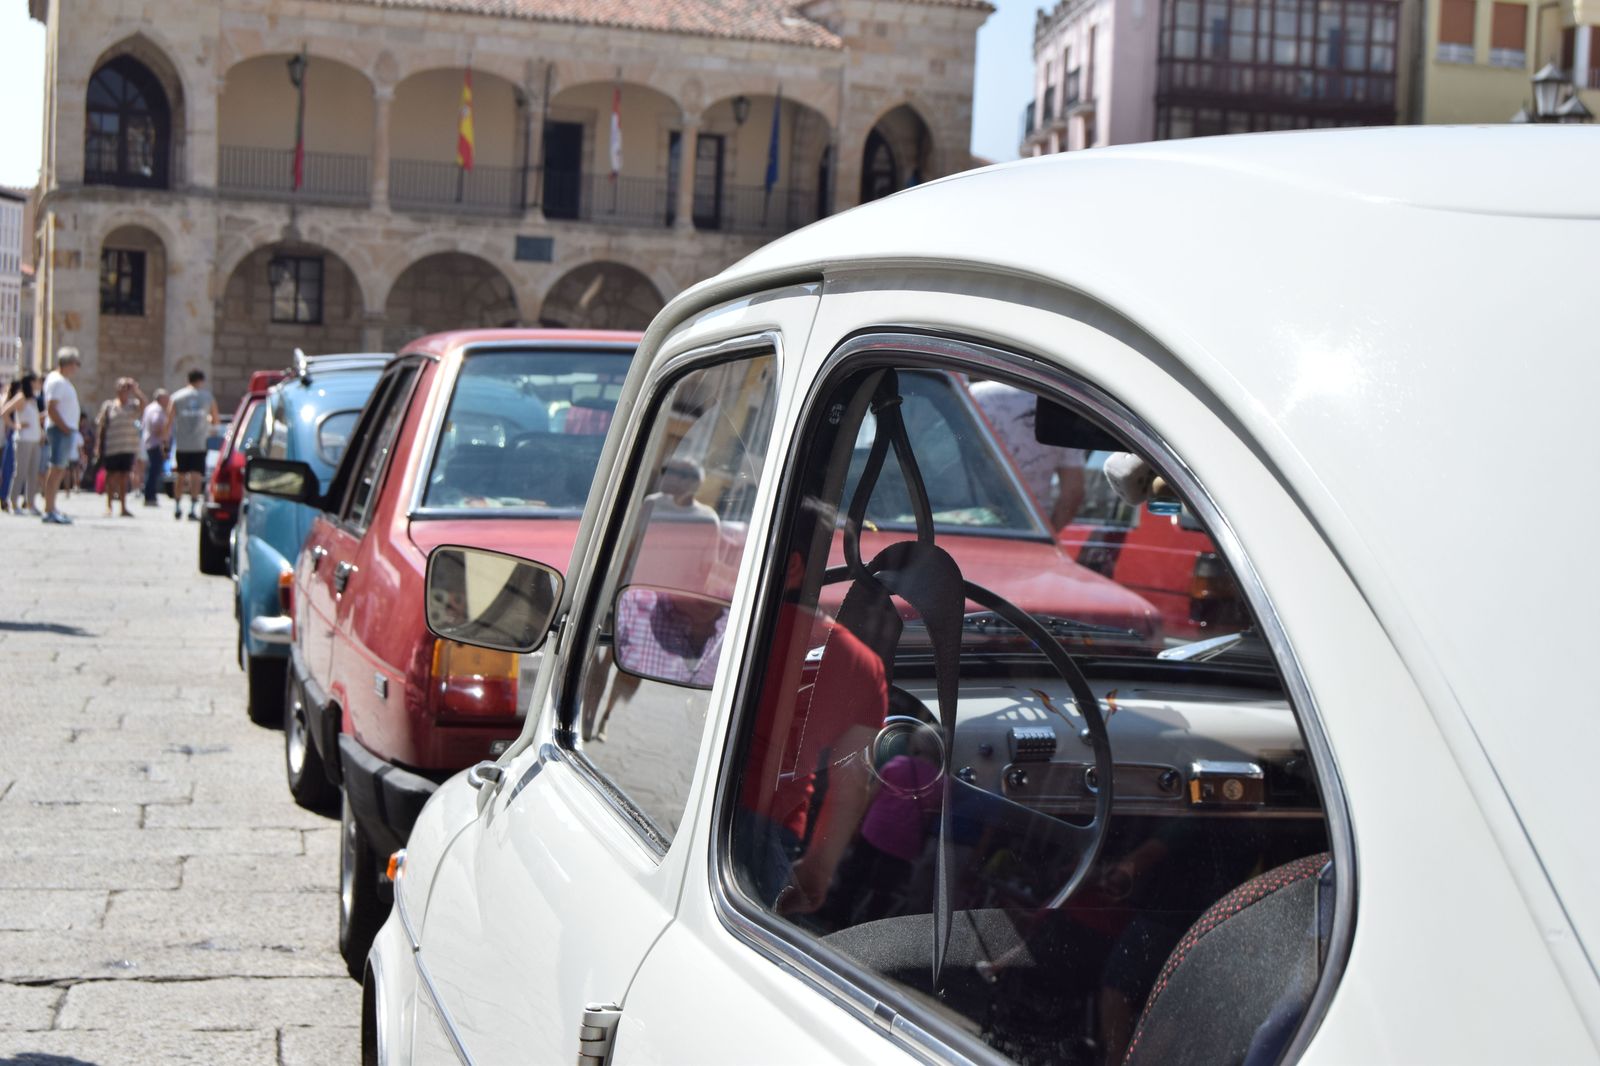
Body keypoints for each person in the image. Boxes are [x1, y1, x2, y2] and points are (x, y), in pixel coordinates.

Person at [968, 379, 1086, 533]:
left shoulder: (974, 395)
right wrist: (1048, 536)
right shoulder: (1061, 404)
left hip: (970, 523)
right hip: (1030, 530)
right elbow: (1073, 492)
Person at [40, 348, 82, 525]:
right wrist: (65, 428)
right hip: (60, 430)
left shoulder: (61, 381)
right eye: (76, 364)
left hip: (64, 430)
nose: (77, 368)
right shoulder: (57, 381)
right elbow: (51, 407)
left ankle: (52, 507)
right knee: (56, 468)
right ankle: (48, 509)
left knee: (59, 469)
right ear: (69, 363)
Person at [168, 369, 217, 521]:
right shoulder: (208, 397)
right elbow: (215, 420)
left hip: (182, 443)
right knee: (196, 475)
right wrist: (207, 421)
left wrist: (165, 440)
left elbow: (169, 420)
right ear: (201, 381)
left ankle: (177, 505)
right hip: (199, 443)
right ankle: (192, 508)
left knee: (180, 475)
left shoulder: (176, 397)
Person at [96, 377, 144, 518]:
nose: (124, 390)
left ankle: (123, 507)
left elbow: (144, 406)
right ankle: (109, 506)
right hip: (112, 446)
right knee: (111, 477)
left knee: (124, 477)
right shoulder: (109, 405)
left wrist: (136, 390)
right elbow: (102, 426)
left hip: (128, 446)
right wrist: (98, 445)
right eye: (122, 387)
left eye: (126, 387)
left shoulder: (133, 405)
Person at [3, 374, 43, 515]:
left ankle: (30, 502)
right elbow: (4, 412)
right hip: (23, 439)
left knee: (33, 473)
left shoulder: (33, 399)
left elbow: (33, 419)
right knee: (20, 472)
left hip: (34, 439)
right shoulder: (21, 397)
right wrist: (15, 425)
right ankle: (12, 502)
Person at [140, 387, 169, 507]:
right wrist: (164, 437)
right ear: (161, 398)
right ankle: (150, 495)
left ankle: (149, 494)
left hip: (149, 442)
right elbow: (156, 424)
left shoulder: (149, 408)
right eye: (166, 398)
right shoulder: (157, 410)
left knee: (152, 470)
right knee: (153, 471)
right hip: (156, 443)